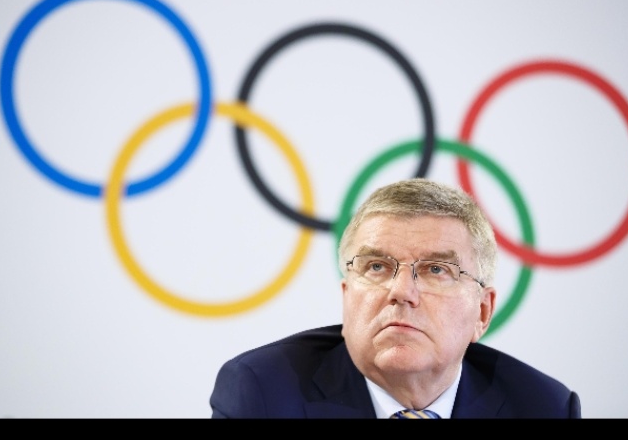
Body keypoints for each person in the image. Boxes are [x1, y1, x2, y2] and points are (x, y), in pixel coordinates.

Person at [209, 178, 581, 418]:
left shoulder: (542, 408)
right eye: (376, 267)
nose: (401, 291)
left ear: (482, 312)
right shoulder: (262, 394)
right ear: (347, 296)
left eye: (436, 270)